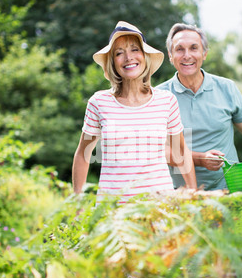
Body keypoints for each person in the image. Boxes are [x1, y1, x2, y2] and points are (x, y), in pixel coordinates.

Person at [72, 21, 197, 204]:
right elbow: (83, 154)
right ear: (113, 62)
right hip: (112, 213)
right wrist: (77, 202)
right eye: (119, 53)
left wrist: (193, 195)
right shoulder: (99, 102)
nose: (128, 57)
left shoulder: (166, 101)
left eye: (134, 50)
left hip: (160, 210)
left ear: (145, 56)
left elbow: (181, 152)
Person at [158, 23, 242, 192]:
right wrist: (201, 159)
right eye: (179, 49)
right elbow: (158, 151)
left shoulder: (226, 88)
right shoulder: (159, 96)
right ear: (170, 55)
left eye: (194, 48)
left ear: (204, 53)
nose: (187, 55)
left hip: (230, 191)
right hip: (182, 196)